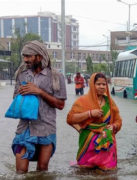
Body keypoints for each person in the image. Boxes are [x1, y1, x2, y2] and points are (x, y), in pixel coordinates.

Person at [11, 40, 67, 173]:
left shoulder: (56, 76)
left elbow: (60, 105)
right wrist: (22, 95)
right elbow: (14, 99)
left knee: (42, 170)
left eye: (29, 56)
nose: (25, 59)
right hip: (24, 129)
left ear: (39, 56)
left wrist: (39, 92)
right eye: (24, 56)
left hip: (46, 129)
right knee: (20, 171)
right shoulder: (21, 74)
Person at [67, 73, 122, 170]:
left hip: (106, 142)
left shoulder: (110, 102)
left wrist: (113, 126)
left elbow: (118, 120)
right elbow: (70, 118)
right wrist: (90, 114)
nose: (102, 87)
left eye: (104, 84)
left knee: (108, 173)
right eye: (98, 84)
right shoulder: (82, 101)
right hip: (88, 143)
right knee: (85, 172)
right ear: (92, 85)